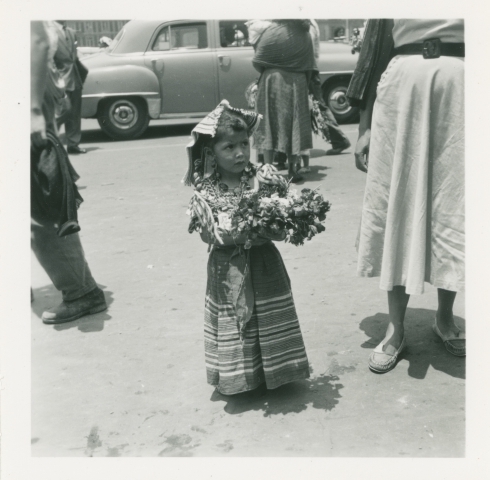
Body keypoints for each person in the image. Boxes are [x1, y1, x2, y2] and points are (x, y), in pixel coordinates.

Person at [347, 19, 465, 373]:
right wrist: (364, 126)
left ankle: (445, 319)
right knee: (398, 203)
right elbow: (373, 54)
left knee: (453, 207)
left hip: (462, 89)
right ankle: (396, 328)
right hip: (402, 91)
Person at [183, 101, 310, 395]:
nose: (240, 153)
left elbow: (280, 226)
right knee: (234, 320)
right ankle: (242, 379)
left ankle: (277, 373)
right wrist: (237, 235)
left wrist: (275, 224)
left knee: (269, 316)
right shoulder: (206, 190)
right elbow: (207, 235)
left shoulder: (262, 178)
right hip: (226, 268)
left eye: (244, 144)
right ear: (210, 151)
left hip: (265, 265)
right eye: (229, 147)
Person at [31, 21, 106, 324]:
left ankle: (81, 291)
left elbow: (35, 40)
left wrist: (33, 108)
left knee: (41, 202)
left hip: (24, 92)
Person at [252, 19, 317, 183]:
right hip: (298, 80)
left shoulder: (272, 30)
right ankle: (292, 169)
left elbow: (258, 61)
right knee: (294, 124)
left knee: (269, 123)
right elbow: (310, 65)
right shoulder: (304, 33)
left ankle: (267, 168)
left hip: (272, 79)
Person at [53, 21, 88, 154]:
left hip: (75, 78)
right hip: (59, 80)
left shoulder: (71, 32)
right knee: (60, 113)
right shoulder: (49, 32)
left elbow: (74, 58)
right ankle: (47, 143)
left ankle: (73, 144)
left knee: (74, 114)